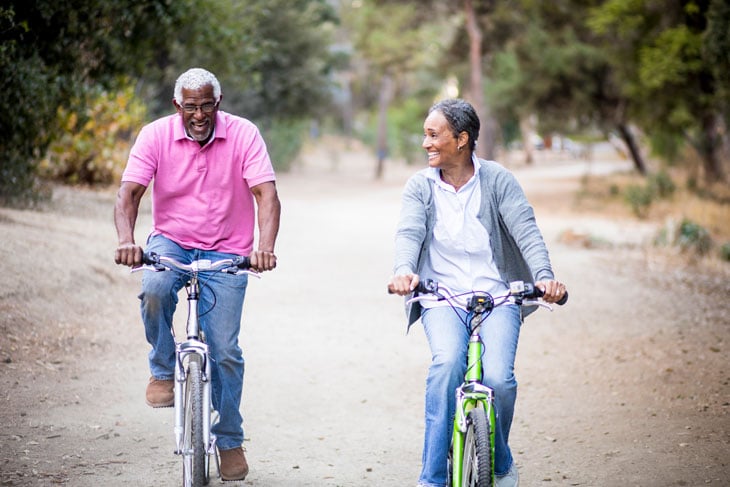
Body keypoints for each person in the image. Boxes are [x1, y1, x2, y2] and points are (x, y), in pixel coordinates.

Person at [387, 98, 566, 487]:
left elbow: (526, 231)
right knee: (447, 365)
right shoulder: (421, 186)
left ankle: (498, 462)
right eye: (425, 135)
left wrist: (545, 277)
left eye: (434, 135)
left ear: (463, 139)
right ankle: (432, 478)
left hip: (498, 297)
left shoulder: (498, 179)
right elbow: (409, 232)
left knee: (500, 380)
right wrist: (404, 272)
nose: (426, 144)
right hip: (442, 297)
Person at [114, 67, 281, 481]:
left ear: (218, 103)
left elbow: (267, 195)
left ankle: (229, 440)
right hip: (171, 240)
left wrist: (264, 248)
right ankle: (162, 368)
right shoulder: (154, 135)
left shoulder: (243, 134)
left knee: (224, 349)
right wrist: (126, 239)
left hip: (228, 249)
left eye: (207, 105)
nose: (200, 114)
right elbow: (129, 193)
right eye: (191, 106)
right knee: (154, 287)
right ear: (178, 107)